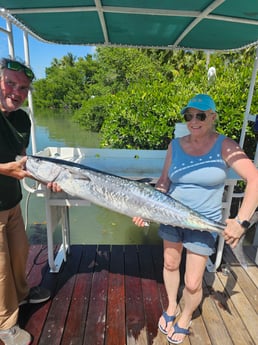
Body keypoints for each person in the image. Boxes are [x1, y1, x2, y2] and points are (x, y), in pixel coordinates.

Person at [133, 94, 258, 344]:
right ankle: (171, 307)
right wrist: (146, 207)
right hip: (170, 215)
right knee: (169, 264)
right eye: (188, 116)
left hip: (203, 222)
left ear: (212, 117)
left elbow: (254, 179)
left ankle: (186, 314)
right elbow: (163, 182)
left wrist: (241, 220)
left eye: (200, 115)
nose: (194, 120)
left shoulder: (226, 146)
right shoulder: (175, 145)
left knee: (192, 282)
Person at [0, 58, 60, 345]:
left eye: (22, 87)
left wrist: (47, 179)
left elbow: (25, 162)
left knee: (20, 253)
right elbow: (10, 167)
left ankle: (22, 296)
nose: (16, 91)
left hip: (11, 202)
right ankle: (5, 325)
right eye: (10, 83)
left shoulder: (22, 119)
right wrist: (3, 170)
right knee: (0, 270)